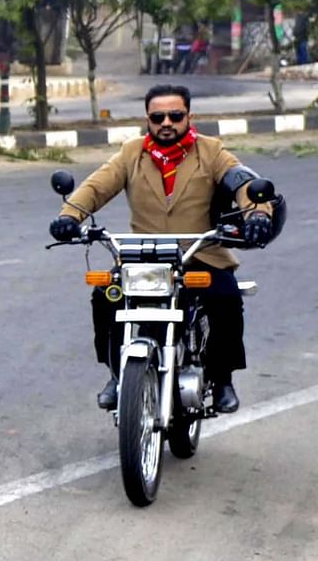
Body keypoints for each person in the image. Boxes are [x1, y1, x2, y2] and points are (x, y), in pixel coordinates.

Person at [50, 84, 279, 413]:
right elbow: (96, 186)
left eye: (175, 115)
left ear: (189, 116)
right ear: (148, 119)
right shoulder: (131, 153)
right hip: (144, 256)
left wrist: (257, 213)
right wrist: (69, 216)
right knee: (104, 297)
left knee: (226, 297)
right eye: (158, 117)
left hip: (198, 253)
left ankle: (223, 378)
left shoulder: (210, 151)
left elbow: (242, 182)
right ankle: (117, 375)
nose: (167, 122)